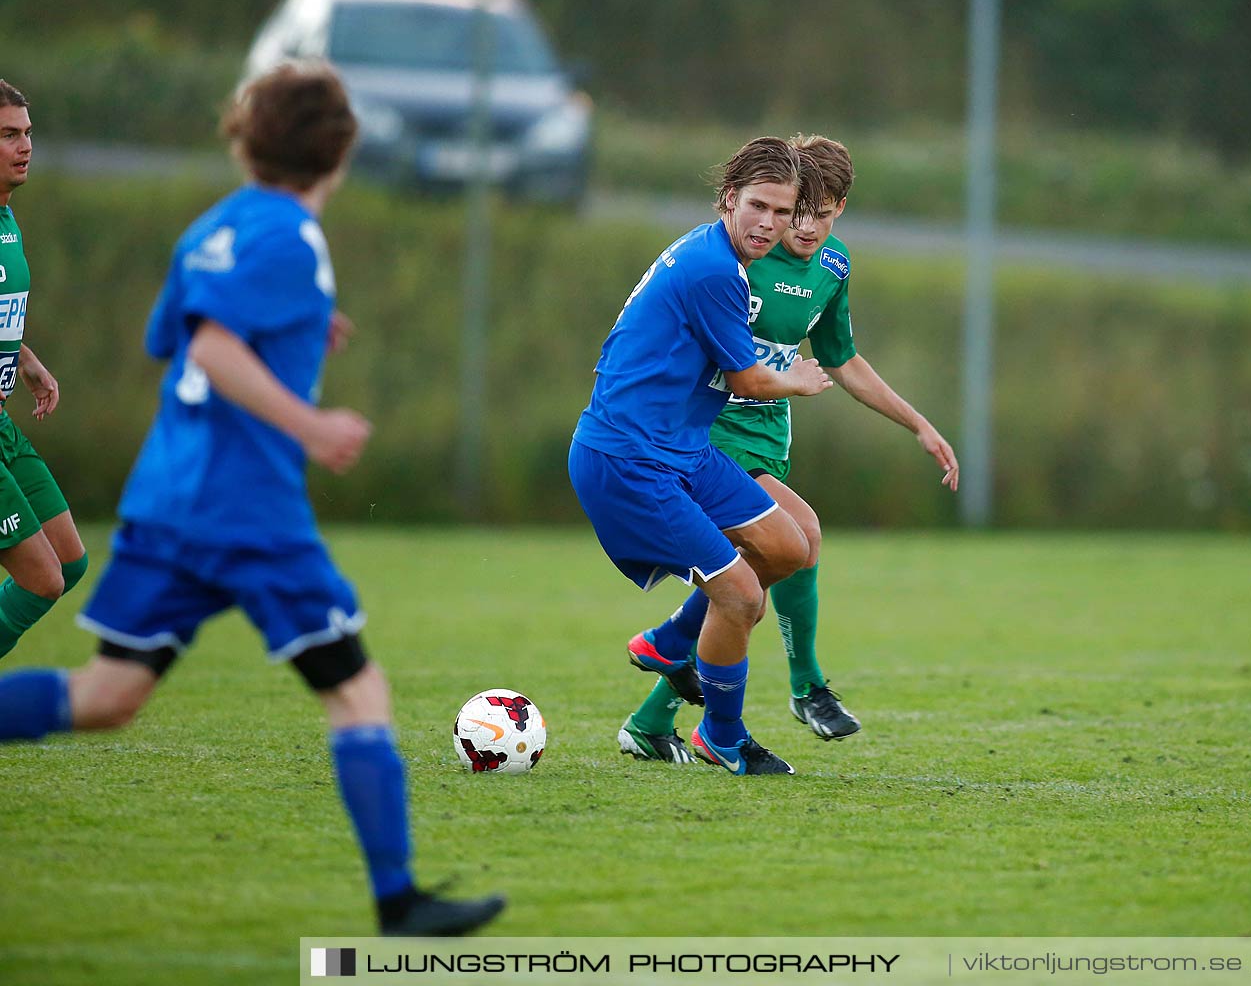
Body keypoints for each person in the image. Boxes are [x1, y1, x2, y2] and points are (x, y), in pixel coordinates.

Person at [0, 64, 505, 937]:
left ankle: (400, 902)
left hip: (168, 498)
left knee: (108, 697)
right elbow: (210, 346)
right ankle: (399, 903)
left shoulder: (216, 227)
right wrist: (308, 424)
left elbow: (182, 329)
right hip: (246, 509)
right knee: (359, 692)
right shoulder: (290, 235)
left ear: (245, 139)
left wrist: (305, 327)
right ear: (339, 153)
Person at [617, 135, 958, 762]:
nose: (802, 228)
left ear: (840, 210)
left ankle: (652, 712)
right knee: (799, 542)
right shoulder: (742, 254)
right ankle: (805, 687)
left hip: (769, 438)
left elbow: (842, 359)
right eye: (795, 211)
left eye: (821, 214)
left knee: (754, 578)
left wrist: (917, 423)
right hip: (711, 437)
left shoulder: (833, 268)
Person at [569, 136, 834, 776]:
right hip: (631, 460)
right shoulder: (714, 270)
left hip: (682, 450)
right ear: (727, 199)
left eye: (783, 211)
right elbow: (745, 381)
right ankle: (722, 734)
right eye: (757, 207)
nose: (769, 224)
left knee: (789, 547)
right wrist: (796, 378)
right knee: (743, 597)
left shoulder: (718, 256)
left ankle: (669, 641)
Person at [0, 81, 90, 663]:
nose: (24, 146)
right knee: (42, 579)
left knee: (69, 561)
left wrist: (24, 359)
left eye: (28, 133)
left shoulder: (6, 219)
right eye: (8, 134)